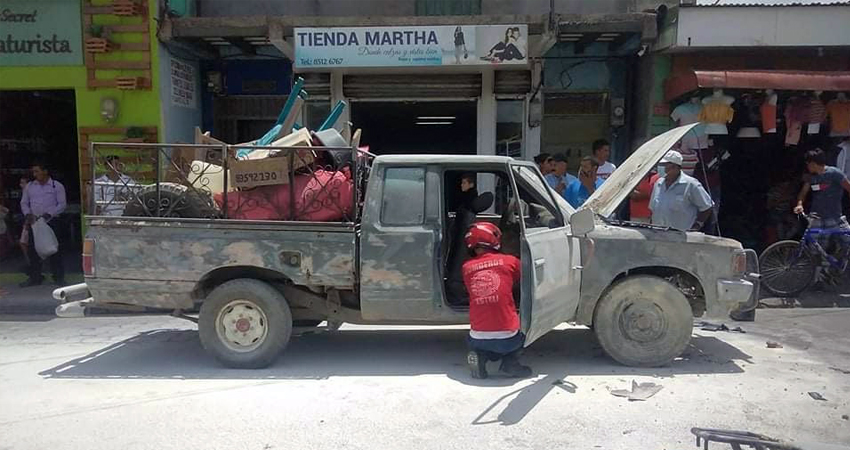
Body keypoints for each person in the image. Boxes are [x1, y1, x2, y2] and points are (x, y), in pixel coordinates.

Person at [463, 221, 532, 379]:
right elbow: (522, 278)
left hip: (476, 338)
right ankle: (510, 363)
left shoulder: (466, 267)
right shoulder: (510, 261)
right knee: (523, 331)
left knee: (479, 341)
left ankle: (480, 358)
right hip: (507, 337)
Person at [793, 148, 850, 251]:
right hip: (816, 218)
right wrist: (799, 204)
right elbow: (803, 193)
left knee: (846, 242)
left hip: (835, 217)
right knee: (815, 248)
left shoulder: (835, 173)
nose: (807, 167)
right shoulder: (811, 178)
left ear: (813, 164)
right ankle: (820, 266)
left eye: (808, 164)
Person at [20, 162, 67, 287]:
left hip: (51, 222)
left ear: (45, 171)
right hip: (34, 222)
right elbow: (24, 203)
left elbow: (62, 204)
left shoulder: (56, 186)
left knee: (54, 250)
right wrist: (27, 214)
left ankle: (58, 277)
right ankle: (35, 277)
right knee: (32, 250)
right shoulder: (30, 186)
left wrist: (49, 214)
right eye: (33, 172)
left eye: (37, 171)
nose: (35, 174)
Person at [650, 151, 714, 231]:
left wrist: (697, 226)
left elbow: (707, 206)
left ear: (675, 167)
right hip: (657, 234)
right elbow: (653, 209)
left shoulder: (691, 184)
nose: (660, 167)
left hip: (680, 236)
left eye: (664, 165)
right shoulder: (658, 183)